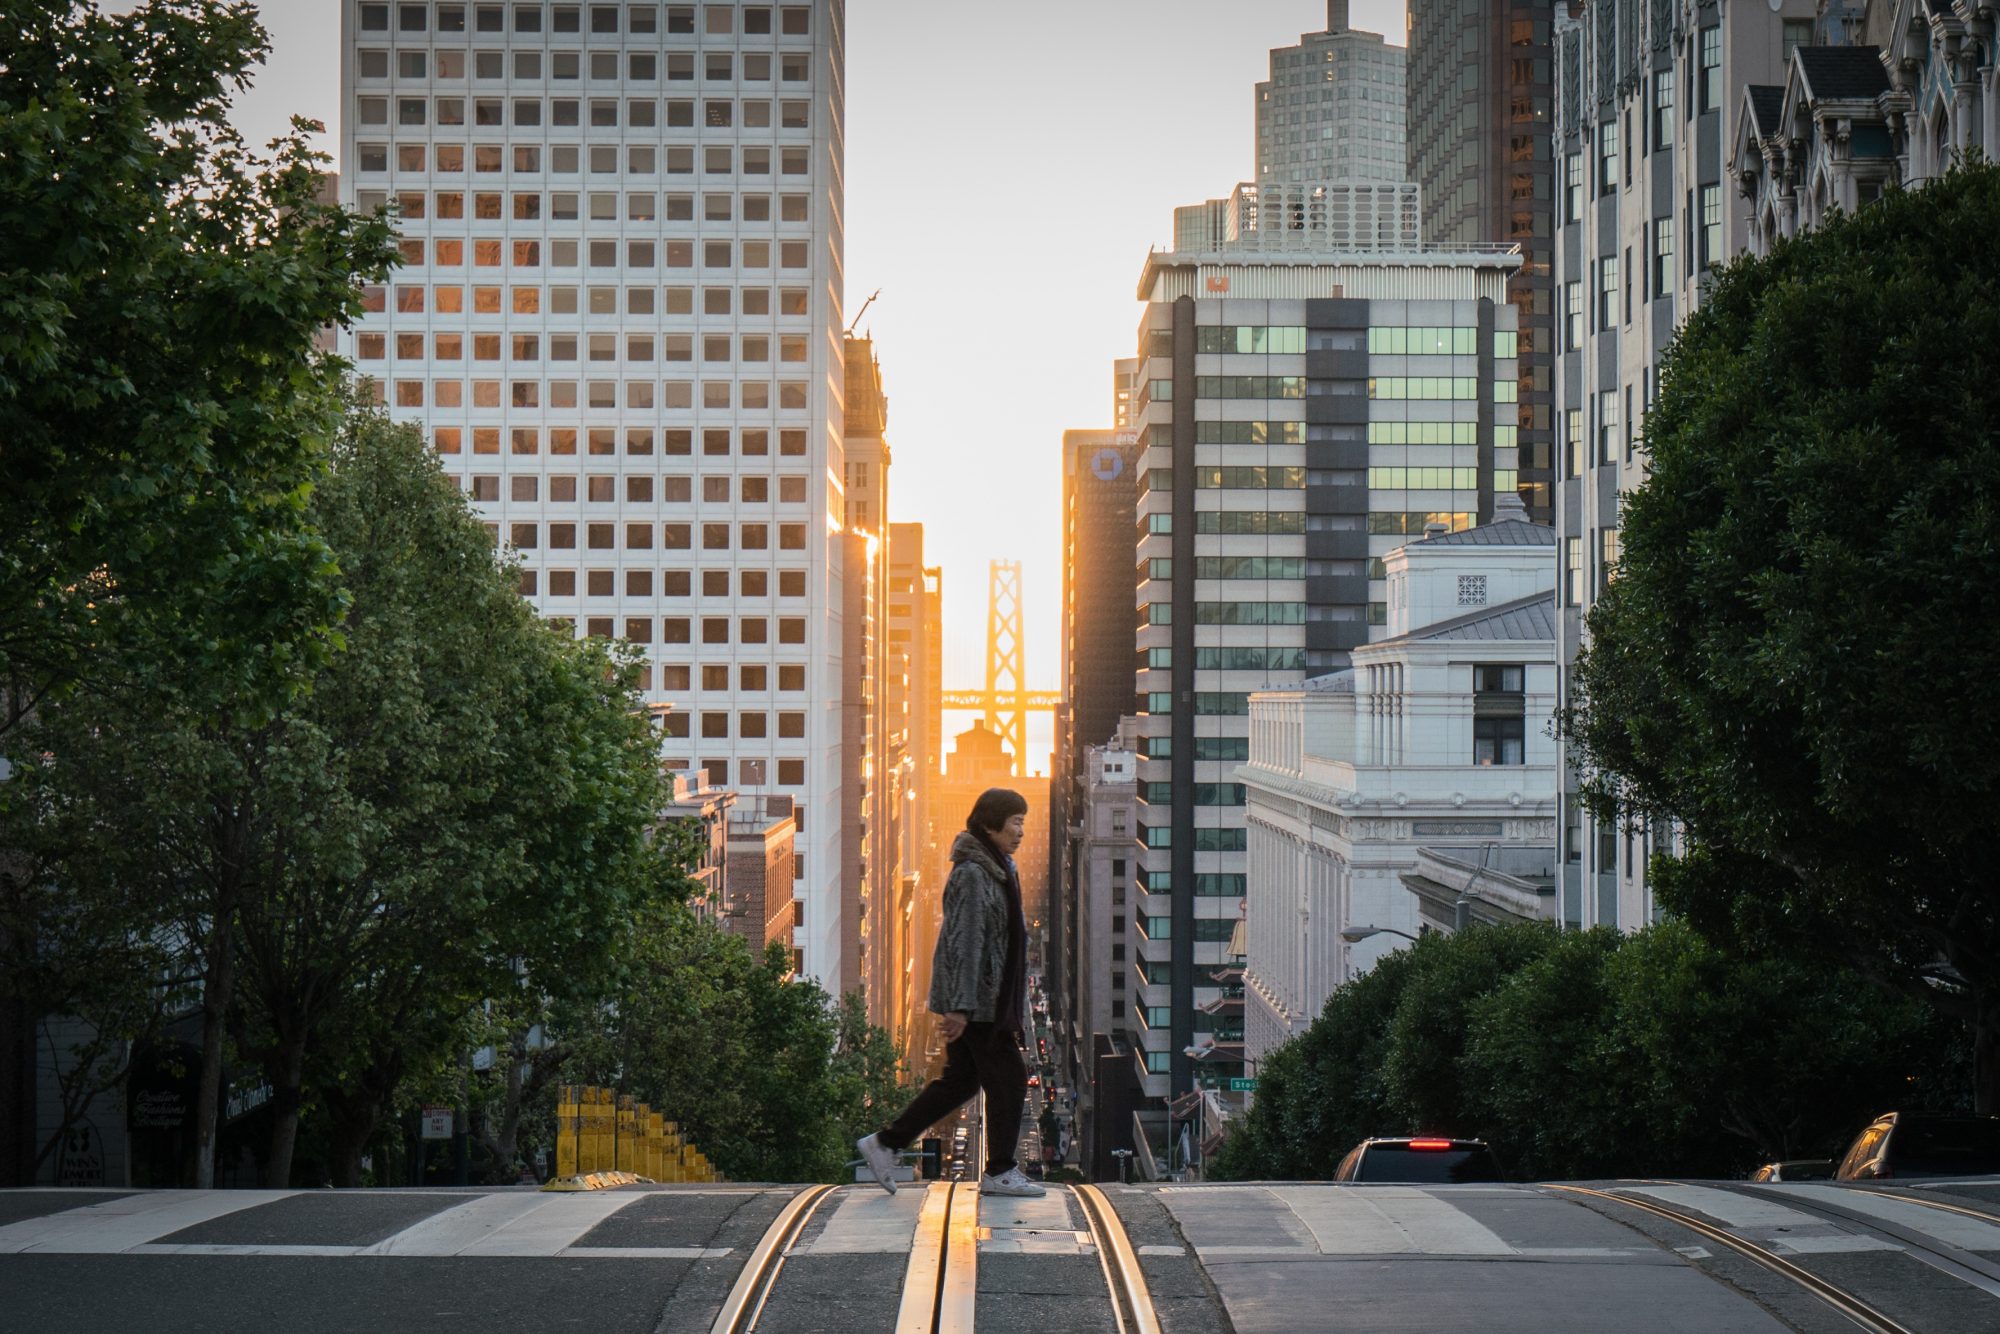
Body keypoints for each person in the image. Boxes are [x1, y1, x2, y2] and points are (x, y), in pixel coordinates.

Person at [857, 788, 1044, 1198]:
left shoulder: (997, 866)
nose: (1020, 832)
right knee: (1010, 1079)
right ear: (991, 823)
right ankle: (999, 1170)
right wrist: (960, 1007)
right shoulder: (974, 873)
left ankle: (885, 1142)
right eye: (1015, 823)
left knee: (960, 1082)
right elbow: (965, 942)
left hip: (987, 998)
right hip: (980, 1002)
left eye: (1023, 823)